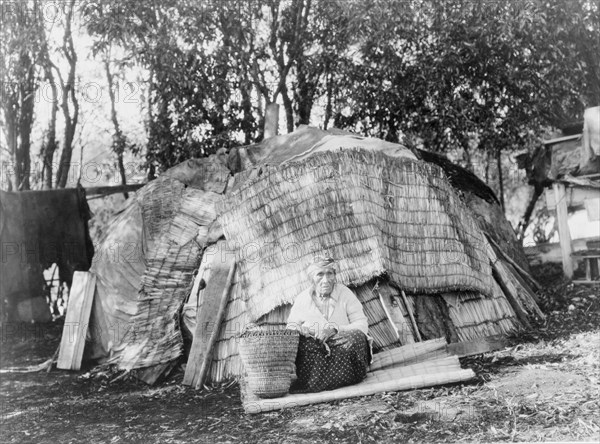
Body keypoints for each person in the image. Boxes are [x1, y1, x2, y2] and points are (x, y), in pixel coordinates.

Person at [286, 256, 371, 393]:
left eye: (329, 273)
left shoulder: (344, 293)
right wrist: (303, 330)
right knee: (301, 343)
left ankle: (325, 382)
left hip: (343, 348)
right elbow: (290, 327)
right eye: (320, 274)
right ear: (311, 279)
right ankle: (322, 381)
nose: (325, 280)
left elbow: (362, 324)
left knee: (356, 337)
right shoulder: (302, 299)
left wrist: (335, 329)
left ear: (335, 276)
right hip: (316, 352)